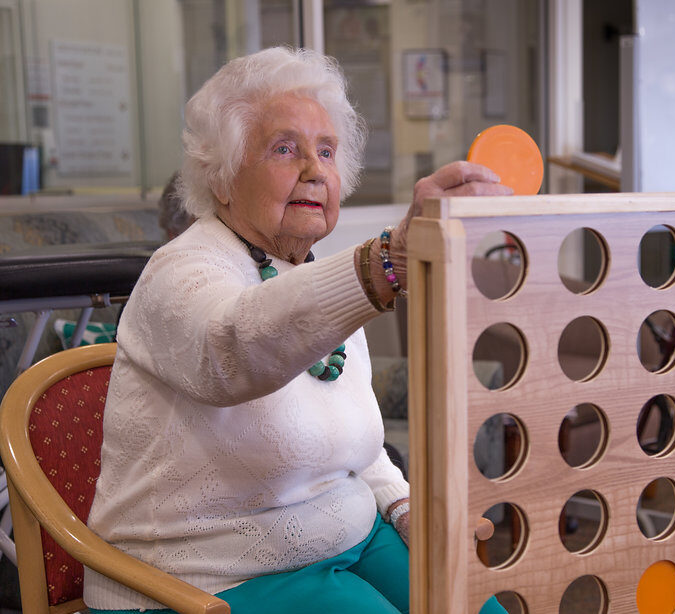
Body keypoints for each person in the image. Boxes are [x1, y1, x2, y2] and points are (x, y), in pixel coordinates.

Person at [85, 46, 512, 614]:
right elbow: (231, 351)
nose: (315, 170)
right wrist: (386, 262)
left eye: (326, 151)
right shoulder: (178, 273)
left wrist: (401, 503)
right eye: (285, 149)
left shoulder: (309, 274)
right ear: (222, 177)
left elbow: (353, 439)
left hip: (351, 537)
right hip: (210, 575)